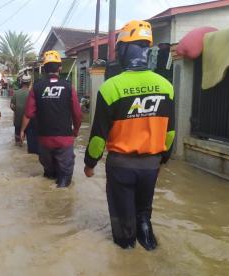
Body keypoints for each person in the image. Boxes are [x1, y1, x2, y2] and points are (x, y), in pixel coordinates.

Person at [83, 20, 175, 251]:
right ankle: (150, 246)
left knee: (124, 224)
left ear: (124, 49)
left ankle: (126, 256)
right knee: (143, 213)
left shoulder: (110, 88)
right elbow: (170, 132)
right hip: (151, 166)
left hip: (121, 166)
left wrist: (89, 163)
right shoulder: (166, 86)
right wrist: (163, 157)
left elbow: (97, 137)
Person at [20, 50, 82, 188]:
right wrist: (76, 130)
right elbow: (77, 113)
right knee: (64, 182)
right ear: (60, 67)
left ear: (44, 68)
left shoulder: (36, 88)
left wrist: (22, 131)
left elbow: (28, 113)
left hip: (44, 140)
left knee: (48, 176)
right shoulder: (68, 87)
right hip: (64, 139)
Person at [11, 75, 38, 153]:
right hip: (30, 122)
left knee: (18, 143)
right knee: (30, 145)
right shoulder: (32, 93)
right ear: (30, 83)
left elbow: (12, 106)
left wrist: (17, 110)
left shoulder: (16, 93)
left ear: (21, 82)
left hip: (18, 121)